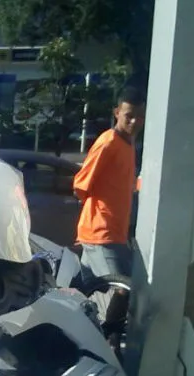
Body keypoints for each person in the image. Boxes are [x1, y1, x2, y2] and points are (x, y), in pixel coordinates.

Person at [74, 86, 146, 354]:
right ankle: (108, 340)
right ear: (117, 113)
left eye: (139, 116)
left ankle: (82, 340)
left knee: (81, 297)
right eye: (129, 115)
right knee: (124, 288)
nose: (134, 121)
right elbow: (80, 184)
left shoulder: (129, 145)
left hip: (115, 233)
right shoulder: (108, 142)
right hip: (100, 233)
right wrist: (100, 214)